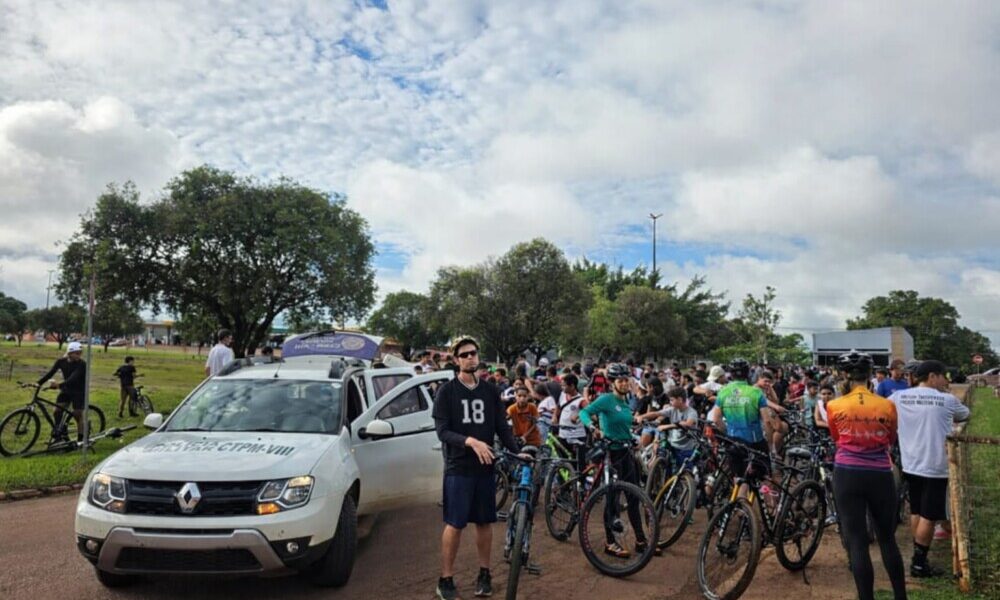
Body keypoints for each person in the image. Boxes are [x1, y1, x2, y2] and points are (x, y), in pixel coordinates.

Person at [432, 337, 521, 600]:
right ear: (456, 360)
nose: (471, 357)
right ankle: (445, 579)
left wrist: (517, 451)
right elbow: (442, 431)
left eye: (474, 353)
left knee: (484, 522)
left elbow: (501, 427)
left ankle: (485, 574)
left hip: (485, 466)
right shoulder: (446, 392)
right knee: (455, 523)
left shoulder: (491, 391)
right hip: (459, 468)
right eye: (465, 354)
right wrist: (470, 441)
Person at [826, 351, 908, 600]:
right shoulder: (887, 405)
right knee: (887, 539)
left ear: (843, 376)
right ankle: (901, 597)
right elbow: (891, 438)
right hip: (880, 473)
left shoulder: (834, 405)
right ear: (871, 375)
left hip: (847, 473)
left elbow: (836, 438)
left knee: (857, 540)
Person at [888, 360, 970, 578]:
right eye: (943, 377)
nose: (945, 381)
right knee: (929, 515)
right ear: (933, 376)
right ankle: (919, 563)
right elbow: (965, 415)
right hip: (936, 465)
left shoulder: (899, 397)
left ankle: (918, 554)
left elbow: (884, 410)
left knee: (916, 510)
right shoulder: (947, 399)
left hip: (911, 463)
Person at [575, 363, 653, 558]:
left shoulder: (626, 402)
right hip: (611, 453)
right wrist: (593, 428)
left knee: (634, 497)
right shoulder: (606, 400)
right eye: (621, 380)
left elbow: (624, 422)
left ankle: (641, 540)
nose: (625, 383)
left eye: (627, 380)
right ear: (612, 383)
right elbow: (584, 413)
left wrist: (635, 423)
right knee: (612, 499)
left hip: (626, 451)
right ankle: (610, 543)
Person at [711, 358, 785, 495]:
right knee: (766, 478)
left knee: (739, 478)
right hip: (755, 441)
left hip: (733, 440)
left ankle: (741, 509)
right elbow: (767, 422)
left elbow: (716, 419)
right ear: (748, 374)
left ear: (731, 375)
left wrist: (727, 433)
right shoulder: (755, 393)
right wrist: (770, 446)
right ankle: (771, 511)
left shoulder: (723, 392)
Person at [38, 341, 87, 441]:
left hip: (79, 391)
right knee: (57, 411)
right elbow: (51, 373)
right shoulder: (61, 361)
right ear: (69, 353)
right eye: (77, 353)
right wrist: (38, 383)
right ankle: (58, 433)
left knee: (77, 414)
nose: (79, 355)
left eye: (80, 353)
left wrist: (59, 385)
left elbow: (74, 378)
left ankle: (81, 438)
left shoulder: (82, 364)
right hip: (66, 389)